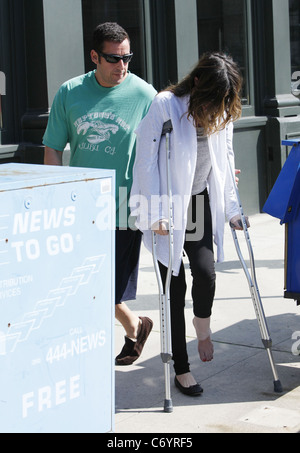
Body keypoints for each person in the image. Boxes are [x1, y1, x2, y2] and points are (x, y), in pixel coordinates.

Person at [130, 52, 250, 395]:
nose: (216, 109)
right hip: (166, 207)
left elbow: (226, 162)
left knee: (206, 273)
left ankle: (203, 324)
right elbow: (145, 162)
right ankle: (182, 369)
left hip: (197, 202)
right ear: (197, 82)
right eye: (213, 99)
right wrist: (154, 214)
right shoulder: (165, 104)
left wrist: (232, 210)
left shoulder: (223, 112)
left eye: (223, 101)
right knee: (174, 287)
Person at [43, 22, 157, 365]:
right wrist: (55, 198)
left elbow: (168, 144)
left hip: (124, 206)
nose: (122, 66)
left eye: (127, 58)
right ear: (95, 56)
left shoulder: (144, 95)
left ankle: (110, 343)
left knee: (104, 288)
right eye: (113, 58)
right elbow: (52, 148)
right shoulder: (69, 92)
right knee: (81, 282)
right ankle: (137, 325)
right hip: (80, 207)